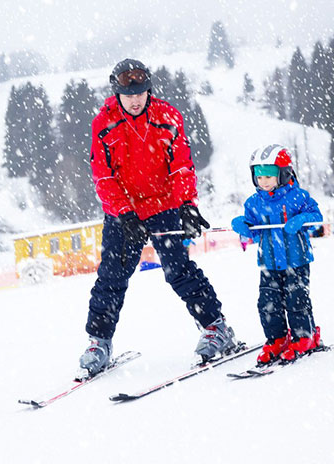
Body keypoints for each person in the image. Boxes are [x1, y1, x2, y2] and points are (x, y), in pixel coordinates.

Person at [78, 58, 239, 377]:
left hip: (164, 206)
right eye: (128, 94)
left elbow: (181, 165)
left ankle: (216, 327)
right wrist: (124, 214)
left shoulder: (167, 116)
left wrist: (188, 205)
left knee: (178, 270)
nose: (135, 99)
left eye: (140, 92)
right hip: (123, 213)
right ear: (117, 93)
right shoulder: (104, 123)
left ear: (148, 89)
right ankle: (98, 342)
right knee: (112, 275)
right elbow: (103, 176)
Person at [231, 144, 323, 364]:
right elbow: (251, 229)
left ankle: (304, 337)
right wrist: (243, 225)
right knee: (267, 302)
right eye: (259, 177)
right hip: (268, 262)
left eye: (269, 176)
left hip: (296, 260)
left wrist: (302, 219)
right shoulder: (253, 202)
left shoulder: (298, 196)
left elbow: (316, 215)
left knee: (296, 299)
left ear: (283, 174)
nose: (264, 182)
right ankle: (277, 338)